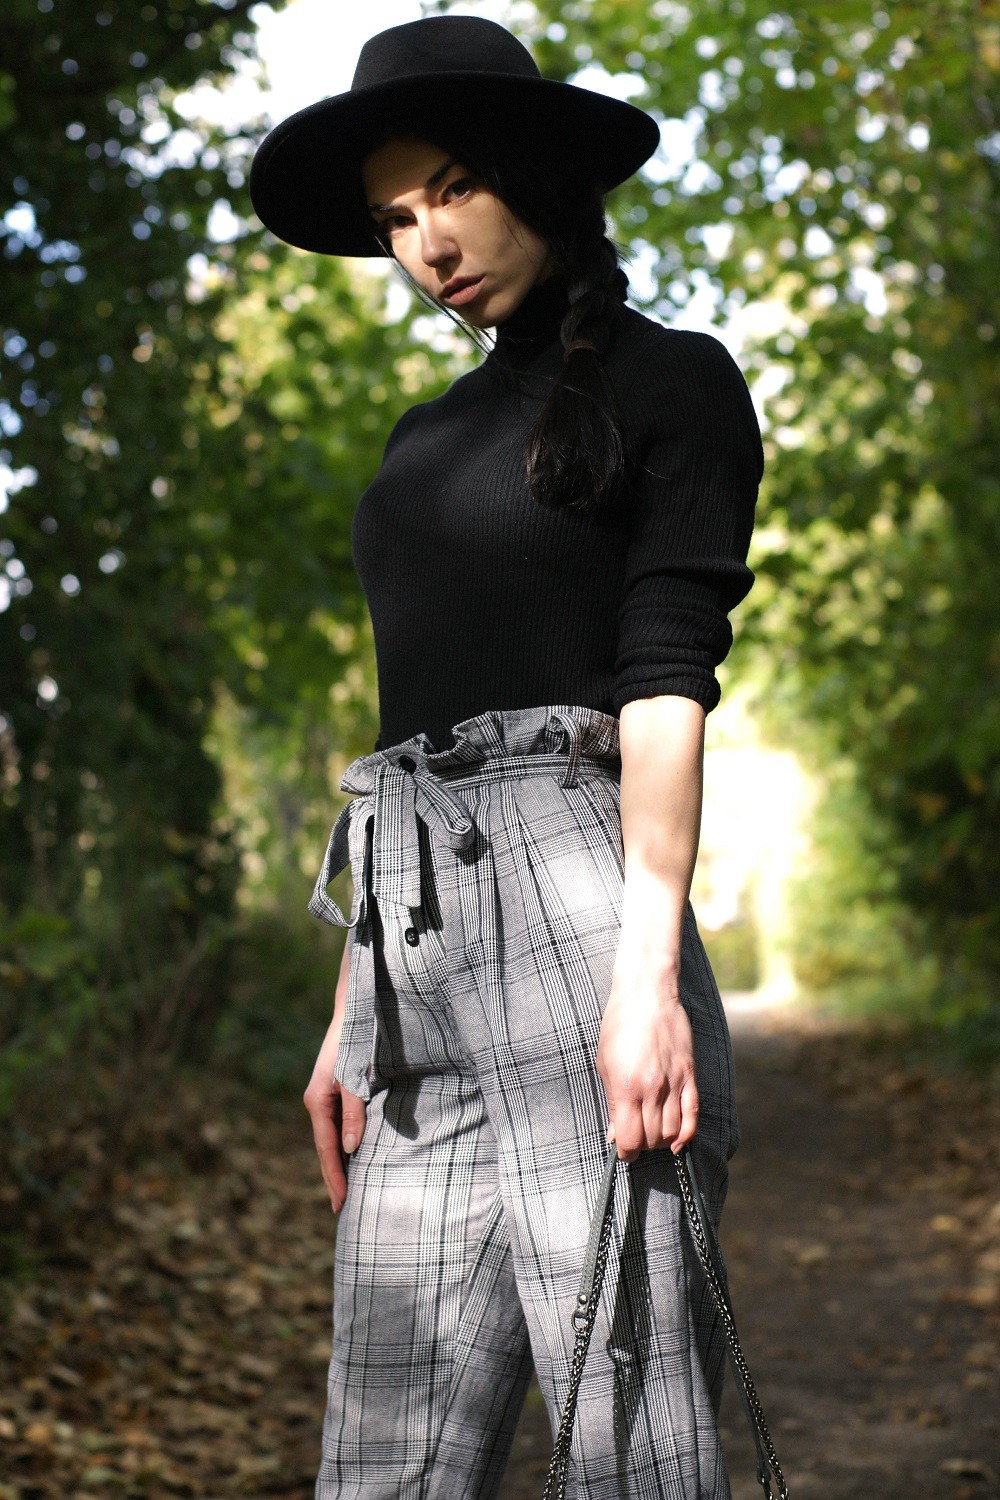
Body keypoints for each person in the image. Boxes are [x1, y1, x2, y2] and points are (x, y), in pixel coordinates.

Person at [249, 14, 764, 1500]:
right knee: (380, 1464)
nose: (427, 241)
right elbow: (404, 733)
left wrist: (646, 979)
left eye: (453, 186)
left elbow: (666, 687)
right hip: (412, 972)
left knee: (627, 1456)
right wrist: (356, 1003)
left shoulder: (672, 384)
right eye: (394, 217)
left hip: (583, 930)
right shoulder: (417, 447)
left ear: (533, 170)